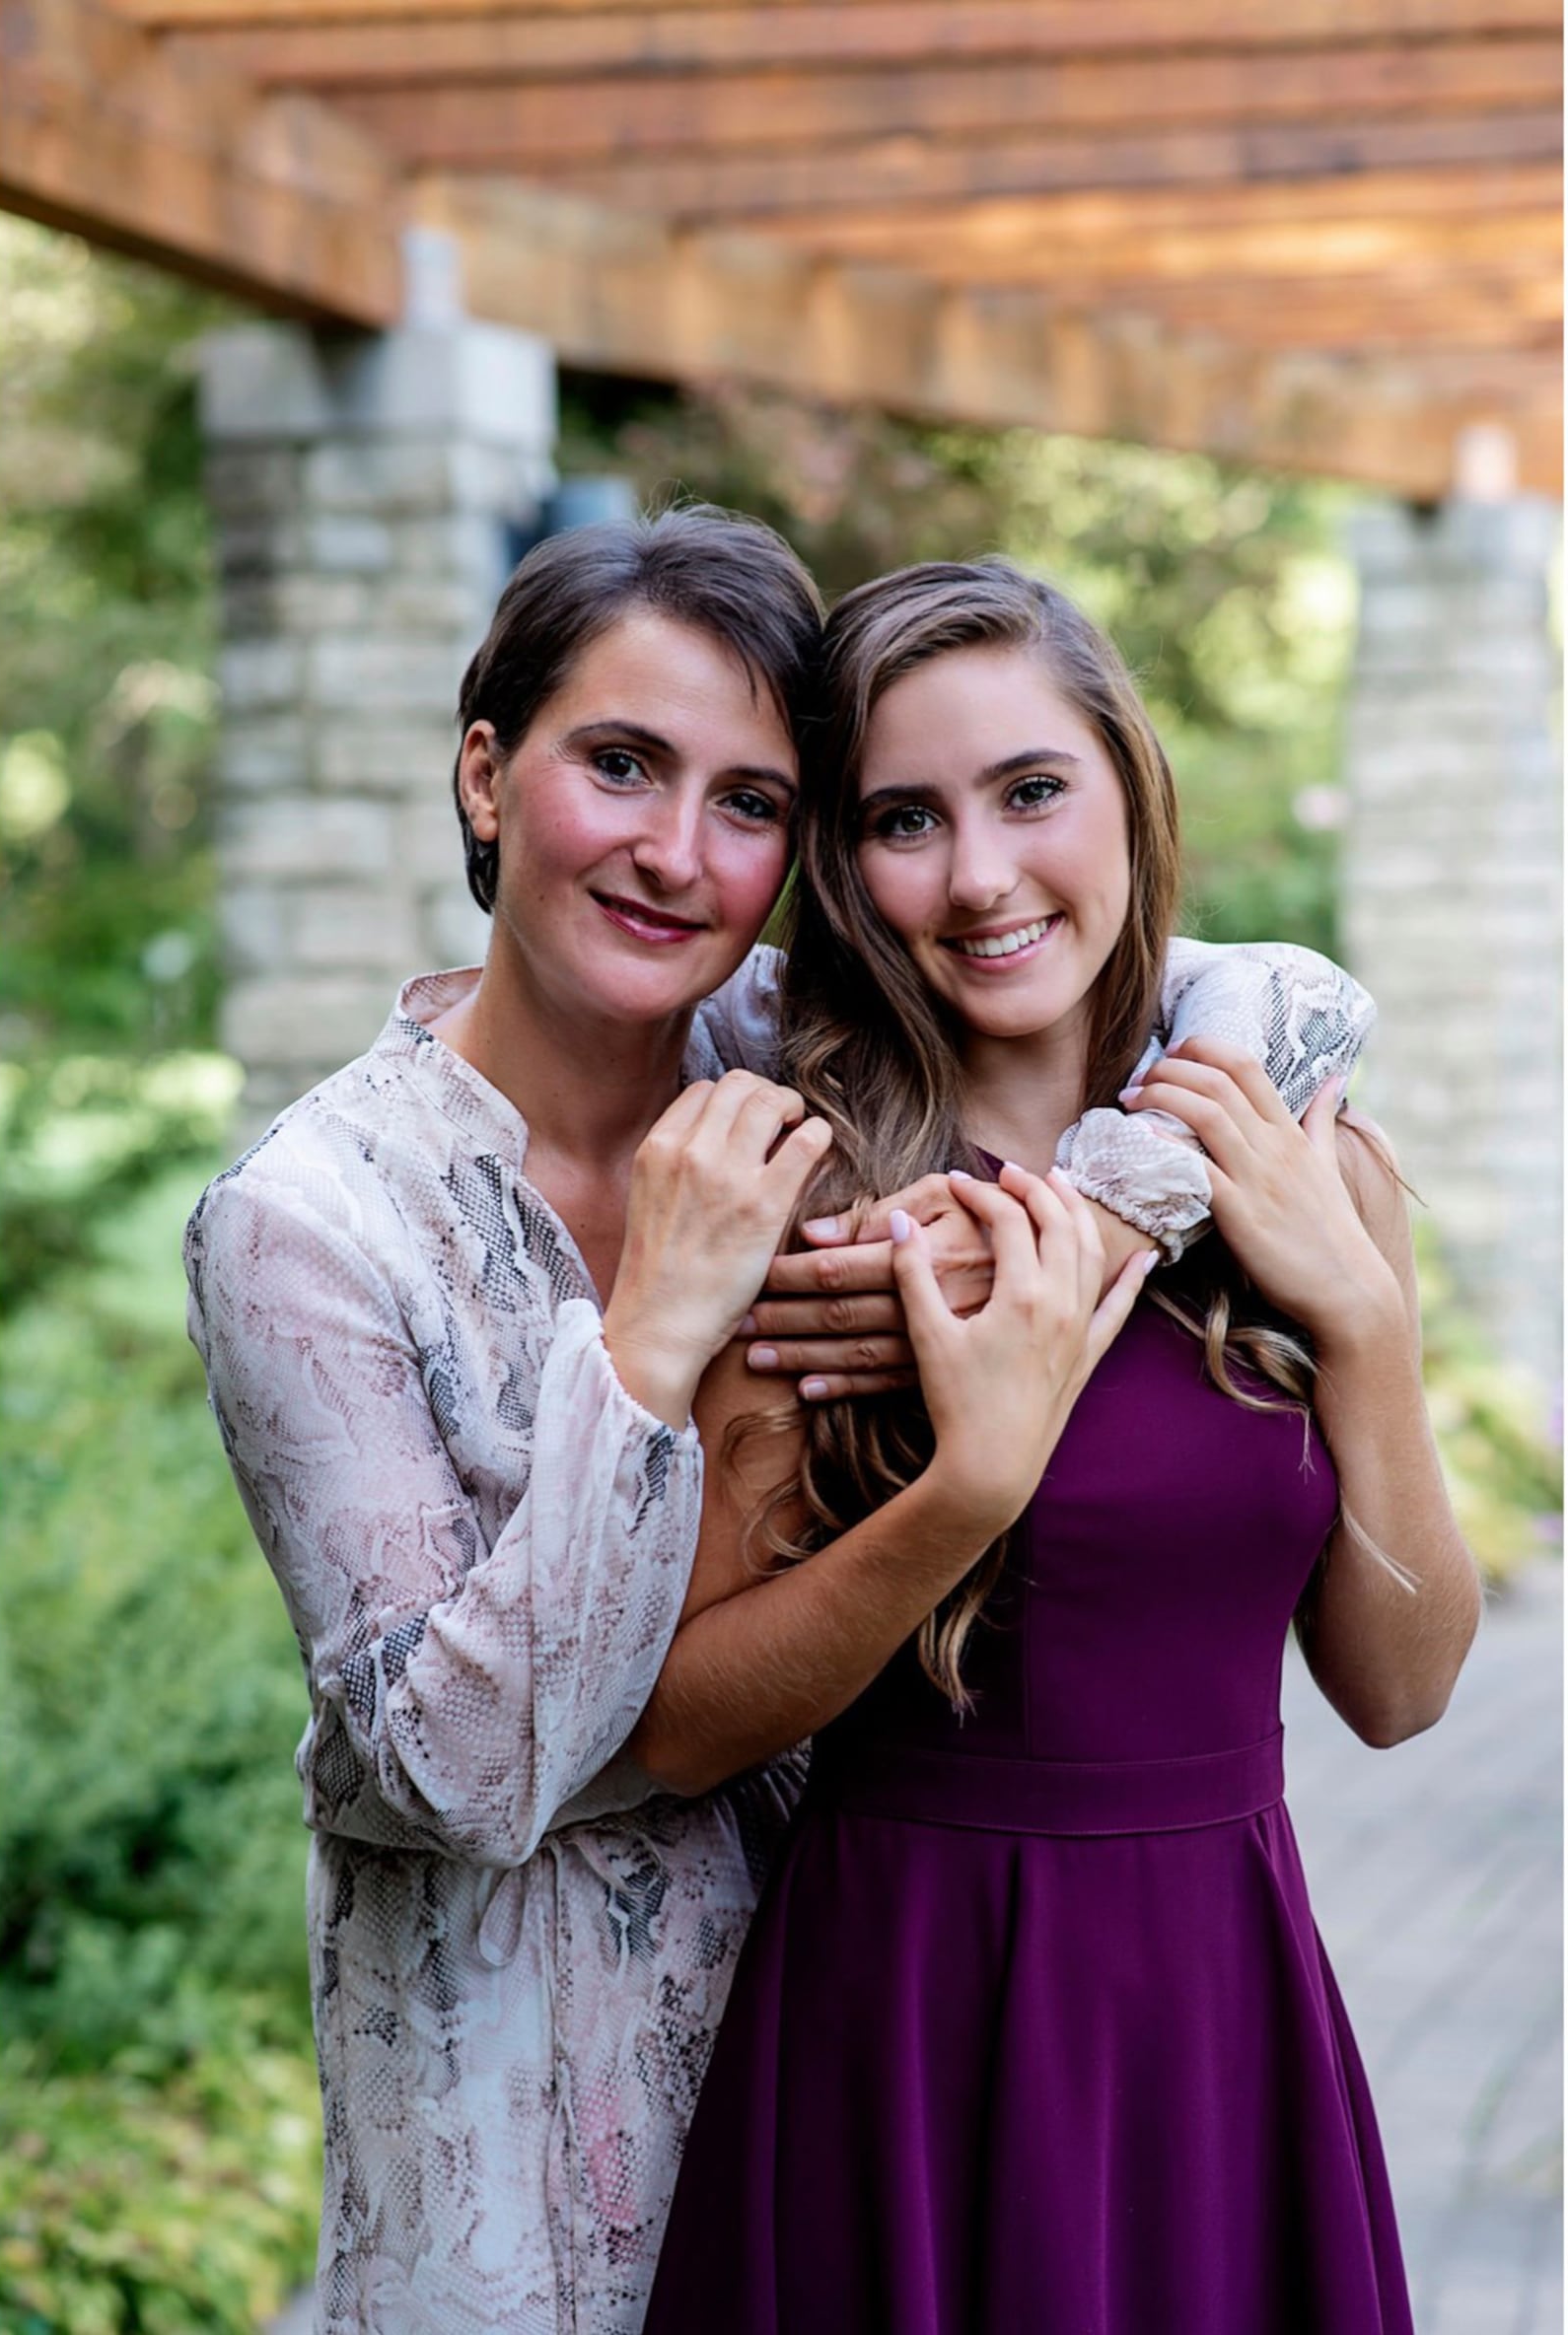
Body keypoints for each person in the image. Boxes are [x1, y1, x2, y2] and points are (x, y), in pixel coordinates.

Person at [184, 508, 1379, 2335]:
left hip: (892, 2014)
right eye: (622, 766)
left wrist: (1115, 1224)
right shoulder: (313, 1225)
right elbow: (453, 1774)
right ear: (487, 775)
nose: (679, 851)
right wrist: (658, 1335)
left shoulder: (788, 1060)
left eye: (750, 802)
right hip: (540, 2117)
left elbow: (1268, 992)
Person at [639, 560, 1481, 2335]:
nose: (981, 877)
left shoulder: (1305, 1163)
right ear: (845, 870)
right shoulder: (810, 1197)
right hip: (904, 2010)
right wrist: (970, 1485)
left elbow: (1400, 1694)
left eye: (1032, 791)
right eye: (903, 820)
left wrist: (1370, 1330)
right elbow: (685, 1718)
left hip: (1220, 2004)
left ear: (1129, 789)